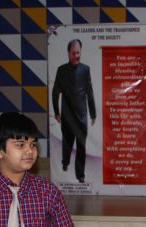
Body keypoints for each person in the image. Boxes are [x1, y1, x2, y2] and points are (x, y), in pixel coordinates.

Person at [52, 39, 96, 183]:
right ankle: (65, 162)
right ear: (68, 53)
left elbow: (89, 92)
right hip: (67, 115)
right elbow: (55, 92)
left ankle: (80, 174)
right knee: (67, 142)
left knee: (81, 146)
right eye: (73, 53)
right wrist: (56, 112)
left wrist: (93, 113)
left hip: (82, 115)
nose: (76, 56)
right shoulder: (61, 70)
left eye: (78, 53)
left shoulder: (85, 69)